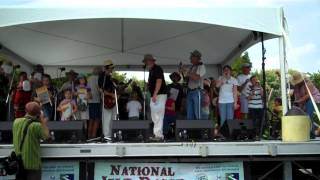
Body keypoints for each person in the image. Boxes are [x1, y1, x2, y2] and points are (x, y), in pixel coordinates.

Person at [13, 102, 49, 180]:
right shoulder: (36, 126)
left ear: (26, 111)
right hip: (32, 164)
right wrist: (42, 120)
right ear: (38, 114)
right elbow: (46, 136)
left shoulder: (16, 122)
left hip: (19, 164)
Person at [143, 54, 167, 141]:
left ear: (151, 61)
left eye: (147, 61)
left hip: (159, 94)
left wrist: (155, 94)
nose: (146, 63)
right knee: (154, 114)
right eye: (145, 61)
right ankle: (156, 133)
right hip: (155, 94)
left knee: (158, 114)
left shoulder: (157, 68)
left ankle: (159, 135)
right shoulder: (151, 70)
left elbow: (159, 81)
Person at [216, 65, 238, 137]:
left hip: (230, 101)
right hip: (222, 101)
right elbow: (217, 86)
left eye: (227, 70)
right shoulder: (220, 78)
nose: (226, 71)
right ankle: (223, 135)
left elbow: (235, 92)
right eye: (224, 70)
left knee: (230, 119)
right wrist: (223, 79)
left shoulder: (234, 80)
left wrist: (235, 103)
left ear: (230, 71)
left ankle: (229, 134)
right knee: (223, 119)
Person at [98, 60, 117, 140]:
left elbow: (113, 89)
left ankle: (113, 134)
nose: (112, 69)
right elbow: (100, 89)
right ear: (107, 68)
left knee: (114, 117)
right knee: (106, 119)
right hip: (106, 100)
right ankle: (106, 136)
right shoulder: (102, 76)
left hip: (112, 100)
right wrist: (111, 95)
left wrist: (116, 94)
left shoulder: (110, 77)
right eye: (111, 68)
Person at [186, 50, 206, 120]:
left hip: (197, 91)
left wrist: (187, 73)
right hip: (190, 91)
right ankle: (191, 130)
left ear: (197, 58)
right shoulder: (191, 67)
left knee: (198, 114)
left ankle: (200, 129)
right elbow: (188, 79)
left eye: (192, 57)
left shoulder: (201, 66)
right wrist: (183, 72)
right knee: (189, 114)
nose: (190, 58)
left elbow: (196, 78)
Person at [87, 67, 102, 138]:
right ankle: (94, 135)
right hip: (96, 101)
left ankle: (89, 135)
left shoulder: (89, 78)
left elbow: (88, 89)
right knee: (97, 119)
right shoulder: (98, 78)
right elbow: (100, 90)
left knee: (91, 119)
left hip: (90, 101)